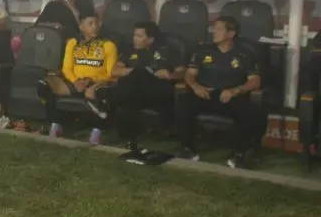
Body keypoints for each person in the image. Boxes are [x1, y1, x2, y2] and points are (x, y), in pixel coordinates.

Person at [177, 16, 261, 169]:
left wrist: (236, 90)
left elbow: (255, 81)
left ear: (231, 33)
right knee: (183, 103)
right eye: (213, 28)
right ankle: (187, 148)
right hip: (205, 93)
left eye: (219, 29)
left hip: (230, 96)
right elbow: (189, 74)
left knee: (249, 111)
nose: (213, 32)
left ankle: (238, 154)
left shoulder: (244, 54)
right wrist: (195, 86)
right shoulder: (202, 50)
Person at [39, 11, 118, 144]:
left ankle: (98, 130)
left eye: (96, 23)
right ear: (81, 27)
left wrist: (92, 80)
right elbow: (66, 68)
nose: (94, 27)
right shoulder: (73, 43)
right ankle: (57, 123)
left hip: (96, 83)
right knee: (44, 84)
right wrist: (75, 81)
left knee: (100, 91)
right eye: (90, 23)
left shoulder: (108, 45)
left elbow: (111, 73)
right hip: (75, 82)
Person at [111, 22, 184, 155]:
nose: (134, 38)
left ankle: (107, 100)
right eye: (134, 35)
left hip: (157, 90)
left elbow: (183, 73)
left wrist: (170, 75)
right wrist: (137, 71)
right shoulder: (130, 50)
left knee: (129, 88)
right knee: (133, 84)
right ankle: (130, 139)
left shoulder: (167, 50)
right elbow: (115, 71)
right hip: (135, 92)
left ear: (150, 39)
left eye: (139, 36)